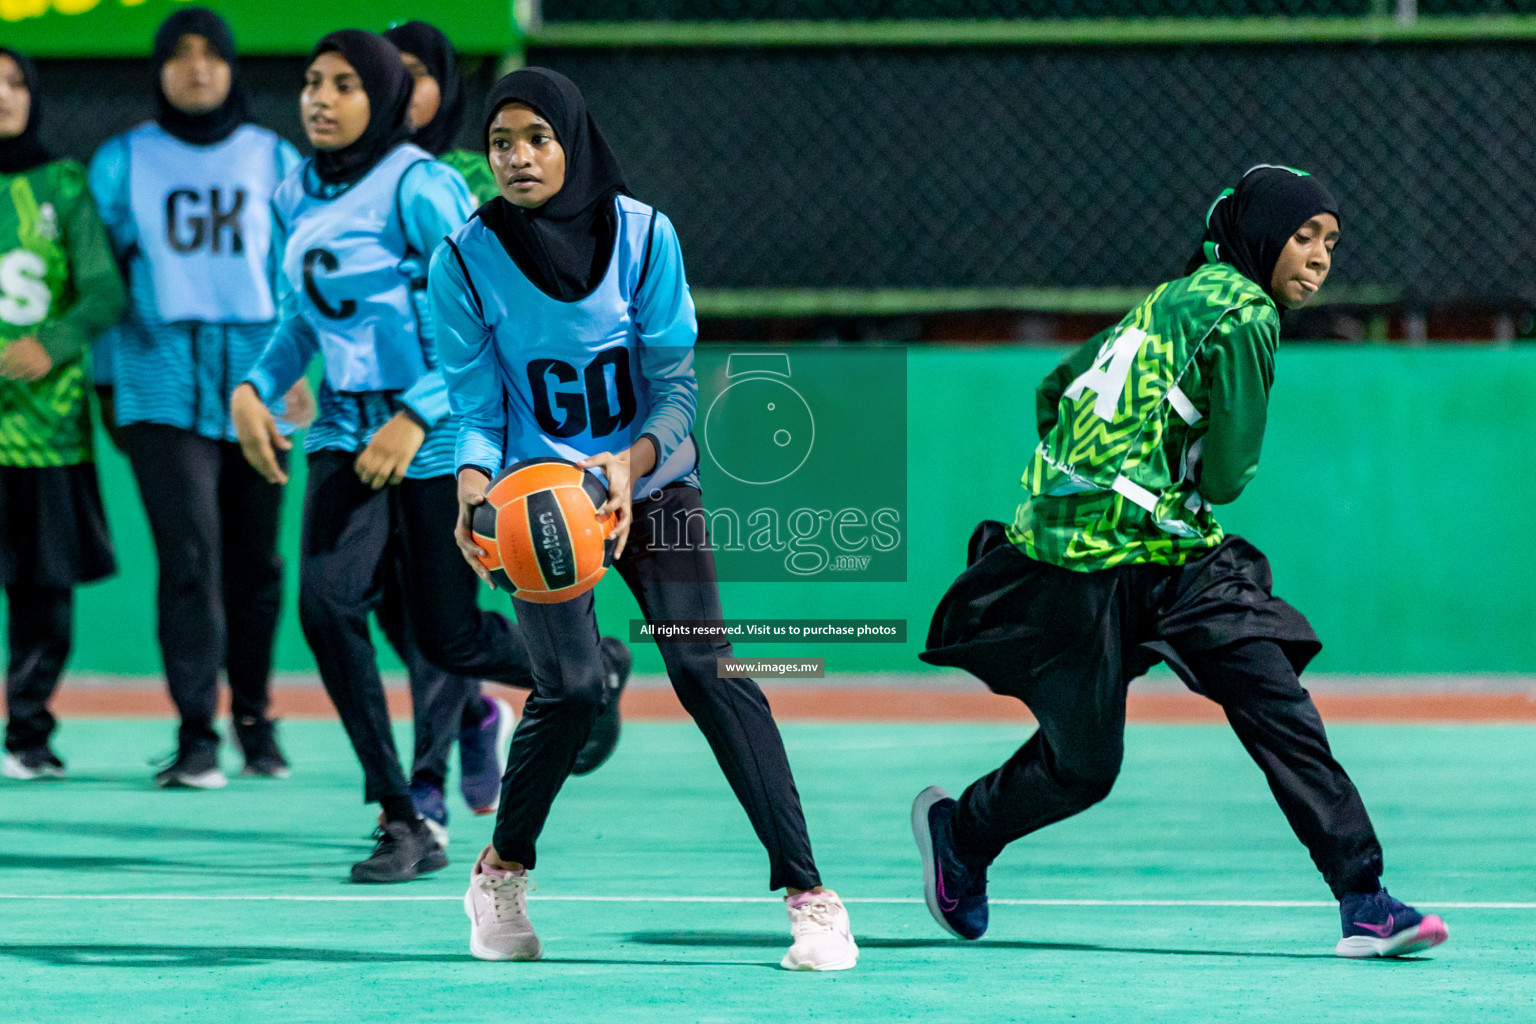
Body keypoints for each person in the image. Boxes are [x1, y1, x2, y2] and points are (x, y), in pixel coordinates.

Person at [911, 165, 1450, 960]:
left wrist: (1102, 470)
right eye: (1304, 237)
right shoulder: (1246, 313)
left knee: (1255, 691)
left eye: (1331, 242)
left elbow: (1054, 390)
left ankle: (1363, 898)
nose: (1320, 257)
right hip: (1100, 562)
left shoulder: (1170, 296)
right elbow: (1229, 476)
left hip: (1136, 549)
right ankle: (960, 831)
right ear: (1262, 238)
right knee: (1105, 759)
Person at [431, 68, 858, 971]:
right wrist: (473, 488)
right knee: (574, 689)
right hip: (536, 498)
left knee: (707, 668)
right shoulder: (462, 259)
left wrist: (626, 467)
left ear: (573, 141)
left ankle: (810, 895)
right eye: (501, 142)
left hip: (651, 481)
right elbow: (473, 408)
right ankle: (502, 871)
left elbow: (672, 391)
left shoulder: (644, 236)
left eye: (537, 139)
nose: (516, 157)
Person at [229, 30, 545, 882]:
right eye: (309, 82)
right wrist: (253, 388)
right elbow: (300, 318)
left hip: (438, 429)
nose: (319, 98)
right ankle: (400, 814)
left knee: (445, 638)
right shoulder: (292, 193)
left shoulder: (421, 185)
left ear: (382, 98)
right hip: (343, 430)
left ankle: (583, 668)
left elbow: (485, 314)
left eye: (343, 84)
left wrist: (419, 412)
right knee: (327, 606)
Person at [384, 18, 633, 813]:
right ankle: (475, 720)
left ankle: (420, 792)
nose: (399, 87)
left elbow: (478, 363)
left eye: (414, 71)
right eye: (376, 72)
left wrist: (437, 427)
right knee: (408, 620)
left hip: (453, 439)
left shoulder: (463, 182)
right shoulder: (319, 186)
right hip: (364, 434)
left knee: (448, 627)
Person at [88, 8, 309, 788]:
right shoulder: (121, 162)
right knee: (188, 556)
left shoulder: (274, 156)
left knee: (256, 560)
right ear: (158, 71)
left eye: (210, 54)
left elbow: (298, 273)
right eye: (178, 56)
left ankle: (254, 717)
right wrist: (108, 382)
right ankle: (195, 733)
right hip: (157, 374)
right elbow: (101, 280)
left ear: (231, 67)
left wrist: (300, 369)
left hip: (259, 375)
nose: (196, 68)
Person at [0, 48, 127, 779]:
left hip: (48, 433)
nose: (5, 97)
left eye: (16, 84)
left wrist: (53, 343)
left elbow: (105, 293)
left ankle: (28, 733)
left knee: (43, 596)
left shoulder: (65, 186)